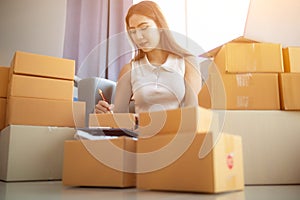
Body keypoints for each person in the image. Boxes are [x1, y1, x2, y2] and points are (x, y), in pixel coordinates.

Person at [95, 0, 202, 114]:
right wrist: (106, 112)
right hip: (141, 130)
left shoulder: (187, 61)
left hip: (179, 129)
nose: (139, 37)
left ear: (160, 26)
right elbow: (118, 114)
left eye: (144, 28)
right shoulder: (129, 70)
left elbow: (191, 111)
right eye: (133, 31)